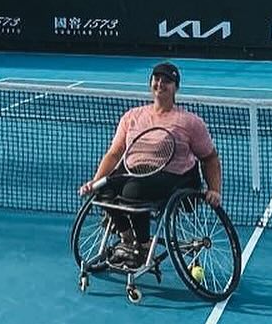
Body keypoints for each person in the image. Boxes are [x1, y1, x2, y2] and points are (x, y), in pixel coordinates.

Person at [78, 62, 223, 267]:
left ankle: (143, 246)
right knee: (103, 189)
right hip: (133, 170)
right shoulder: (132, 116)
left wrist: (214, 190)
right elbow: (114, 153)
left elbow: (210, 158)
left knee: (132, 191)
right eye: (157, 79)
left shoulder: (190, 122)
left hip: (174, 176)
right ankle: (127, 238)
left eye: (167, 81)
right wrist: (95, 181)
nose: (160, 84)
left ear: (176, 87)